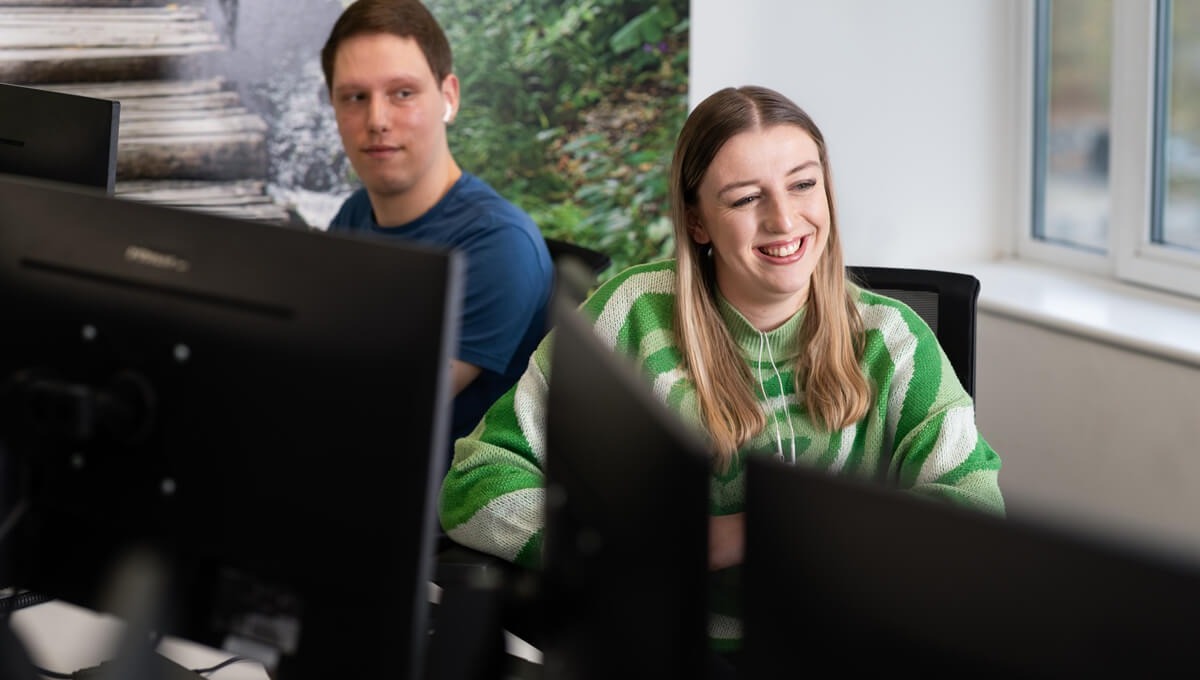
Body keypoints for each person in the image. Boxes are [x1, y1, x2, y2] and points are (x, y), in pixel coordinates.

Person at [438, 85, 1005, 669]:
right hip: (662, 653)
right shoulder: (630, 313)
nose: (784, 219)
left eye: (803, 184)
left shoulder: (896, 339)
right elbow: (477, 479)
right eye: (743, 199)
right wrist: (643, 547)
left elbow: (975, 511)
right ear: (697, 220)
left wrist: (754, 530)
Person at [319, 0, 554, 457]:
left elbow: (380, 407)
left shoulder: (500, 244)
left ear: (449, 97)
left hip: (434, 509)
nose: (377, 121)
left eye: (402, 93)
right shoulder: (354, 213)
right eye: (354, 97)